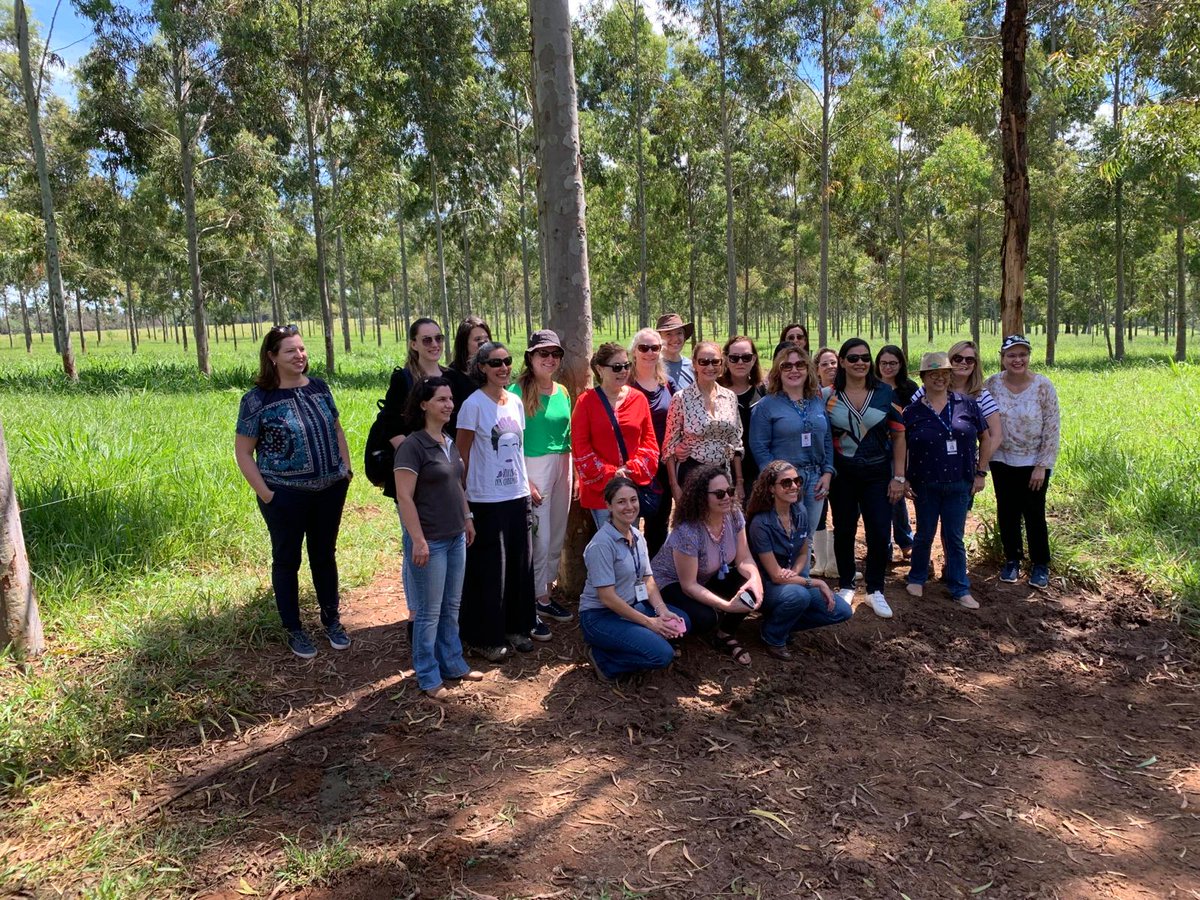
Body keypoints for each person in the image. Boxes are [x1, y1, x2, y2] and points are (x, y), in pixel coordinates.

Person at [235, 325, 353, 659]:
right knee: (287, 559)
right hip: (285, 495)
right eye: (290, 351)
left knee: (324, 554)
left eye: (302, 349)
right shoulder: (257, 399)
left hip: (330, 490)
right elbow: (243, 452)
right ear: (272, 357)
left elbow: (336, 428)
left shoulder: (319, 387)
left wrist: (345, 469)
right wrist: (267, 494)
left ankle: (332, 620)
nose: (299, 356)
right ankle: (295, 629)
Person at [393, 377, 484, 698]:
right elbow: (404, 498)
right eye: (441, 399)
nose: (449, 404)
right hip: (429, 541)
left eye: (450, 399)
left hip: (456, 536)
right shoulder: (412, 447)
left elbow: (457, 484)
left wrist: (467, 517)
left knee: (451, 606)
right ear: (424, 405)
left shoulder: (446, 442)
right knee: (429, 611)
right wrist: (417, 540)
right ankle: (428, 675)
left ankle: (453, 663)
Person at [457, 341, 540, 661]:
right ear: (481, 368)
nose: (503, 367)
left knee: (521, 564)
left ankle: (517, 627)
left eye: (507, 361)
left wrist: (526, 484)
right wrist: (464, 498)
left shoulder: (516, 402)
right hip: (485, 498)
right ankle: (483, 636)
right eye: (495, 363)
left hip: (516, 496)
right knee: (491, 569)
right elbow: (462, 453)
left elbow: (518, 450)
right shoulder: (472, 405)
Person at [578, 477, 690, 683]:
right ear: (608, 506)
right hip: (600, 616)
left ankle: (634, 640)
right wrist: (650, 623)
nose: (629, 507)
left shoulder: (637, 535)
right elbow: (607, 598)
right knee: (662, 655)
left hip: (631, 606)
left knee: (682, 621)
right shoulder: (601, 545)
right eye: (621, 502)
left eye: (633, 500)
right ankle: (604, 659)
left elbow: (647, 579)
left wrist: (662, 611)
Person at [824, 338, 906, 618]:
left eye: (865, 358)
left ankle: (875, 589)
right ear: (843, 362)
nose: (860, 363)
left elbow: (898, 434)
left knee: (880, 530)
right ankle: (846, 584)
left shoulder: (885, 392)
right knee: (845, 528)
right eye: (853, 358)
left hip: (878, 473)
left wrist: (899, 476)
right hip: (843, 474)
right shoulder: (828, 396)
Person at [902, 353, 991, 609]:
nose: (939, 378)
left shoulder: (967, 404)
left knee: (954, 537)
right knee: (924, 534)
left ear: (950, 375)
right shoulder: (913, 411)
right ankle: (917, 577)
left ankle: (959, 586)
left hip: (960, 482)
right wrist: (905, 476)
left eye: (944, 373)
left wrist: (980, 472)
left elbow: (985, 437)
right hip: (925, 482)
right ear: (923, 378)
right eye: (933, 374)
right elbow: (903, 445)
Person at [651, 465, 764, 667]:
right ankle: (671, 631)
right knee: (706, 618)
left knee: (749, 590)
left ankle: (724, 634)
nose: (727, 497)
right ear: (702, 497)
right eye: (719, 494)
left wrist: (755, 580)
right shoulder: (688, 531)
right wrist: (725, 605)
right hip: (671, 582)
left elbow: (744, 558)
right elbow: (689, 585)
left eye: (729, 491)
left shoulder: (734, 515)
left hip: (707, 575)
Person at [745, 462, 851, 660]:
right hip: (767, 586)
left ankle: (779, 623)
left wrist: (794, 571)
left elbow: (803, 552)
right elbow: (775, 576)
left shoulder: (799, 512)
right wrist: (816, 582)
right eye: (786, 483)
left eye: (797, 480)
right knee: (798, 596)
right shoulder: (761, 523)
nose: (794, 486)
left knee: (841, 611)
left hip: (791, 580)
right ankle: (773, 637)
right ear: (771, 488)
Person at [984, 334, 1061, 590]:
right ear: (1002, 358)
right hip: (1002, 459)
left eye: (1022, 354)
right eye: (1011, 355)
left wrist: (1042, 464)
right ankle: (1012, 559)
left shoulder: (1043, 386)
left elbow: (1052, 426)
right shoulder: (992, 384)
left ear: (1028, 356)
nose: (1018, 360)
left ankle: (1040, 564)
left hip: (1033, 461)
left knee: (1034, 512)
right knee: (1007, 510)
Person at [749, 343, 834, 572]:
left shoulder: (816, 401)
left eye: (800, 364)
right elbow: (759, 447)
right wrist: (778, 481)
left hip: (815, 479)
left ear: (808, 369)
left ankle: (802, 584)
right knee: (785, 537)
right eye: (787, 365)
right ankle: (783, 589)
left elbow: (826, 439)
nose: (794, 370)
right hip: (785, 483)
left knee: (806, 539)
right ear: (778, 371)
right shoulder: (766, 406)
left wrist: (827, 472)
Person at [511, 330, 574, 624]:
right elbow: (511, 439)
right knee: (540, 534)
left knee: (557, 530)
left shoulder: (561, 391)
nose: (550, 360)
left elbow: (568, 432)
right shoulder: (516, 392)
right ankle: (537, 598)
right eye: (543, 354)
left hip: (564, 462)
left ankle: (545, 591)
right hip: (533, 465)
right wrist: (526, 478)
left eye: (555, 354)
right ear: (531, 357)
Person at [378, 318, 475, 503]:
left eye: (438, 338)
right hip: (416, 471)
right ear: (414, 344)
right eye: (427, 340)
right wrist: (417, 459)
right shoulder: (403, 379)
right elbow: (390, 426)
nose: (434, 344)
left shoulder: (454, 378)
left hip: (448, 470)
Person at [571, 343, 660, 528]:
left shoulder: (638, 399)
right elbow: (580, 448)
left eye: (627, 366)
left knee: (630, 538)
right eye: (617, 367)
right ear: (599, 369)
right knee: (609, 542)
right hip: (602, 491)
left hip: (630, 484)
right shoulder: (586, 402)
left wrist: (629, 470)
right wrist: (612, 473)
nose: (623, 371)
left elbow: (649, 442)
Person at [663, 342, 744, 504]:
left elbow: (736, 442)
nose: (710, 367)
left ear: (721, 364)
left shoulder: (730, 397)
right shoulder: (681, 398)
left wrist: (739, 482)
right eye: (704, 362)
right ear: (694, 364)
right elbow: (669, 447)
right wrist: (674, 486)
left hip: (723, 472)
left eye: (715, 362)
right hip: (692, 472)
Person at [912, 340, 1005, 476]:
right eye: (958, 358)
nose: (963, 363)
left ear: (975, 364)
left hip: (963, 471)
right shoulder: (927, 389)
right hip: (929, 466)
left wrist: (977, 465)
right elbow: (909, 419)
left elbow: (996, 436)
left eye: (969, 360)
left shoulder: (981, 395)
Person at [629, 327, 675, 555]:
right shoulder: (625, 384)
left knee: (659, 524)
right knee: (629, 524)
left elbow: (679, 420)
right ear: (634, 352)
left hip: (663, 465)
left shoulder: (668, 384)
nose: (649, 353)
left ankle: (655, 579)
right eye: (643, 347)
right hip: (634, 466)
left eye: (654, 348)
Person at [874, 345, 919, 561]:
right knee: (881, 496)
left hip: (903, 446)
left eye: (893, 363)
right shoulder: (871, 386)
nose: (888, 367)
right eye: (884, 363)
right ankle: (885, 545)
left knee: (897, 495)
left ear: (900, 364)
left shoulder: (909, 388)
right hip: (877, 448)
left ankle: (905, 540)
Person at [719, 335, 765, 498]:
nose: (740, 362)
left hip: (758, 470)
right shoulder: (715, 391)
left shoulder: (763, 392)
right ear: (725, 359)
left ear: (754, 359)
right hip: (723, 471)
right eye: (734, 358)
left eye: (746, 357)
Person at [656, 313, 695, 389]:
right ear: (659, 338)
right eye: (668, 334)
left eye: (679, 333)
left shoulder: (692, 367)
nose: (675, 339)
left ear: (684, 337)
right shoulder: (653, 366)